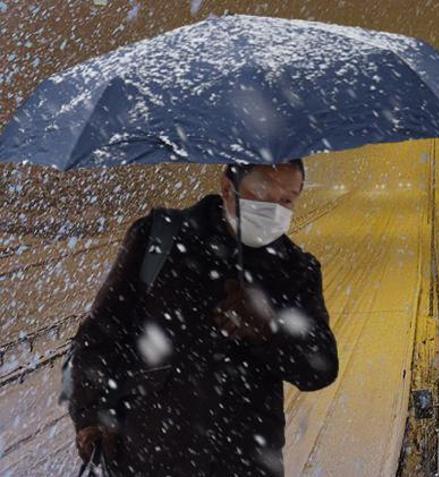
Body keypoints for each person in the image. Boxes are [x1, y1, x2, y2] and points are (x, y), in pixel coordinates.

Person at [68, 160, 338, 476]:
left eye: (287, 200)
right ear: (227, 188)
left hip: (244, 463)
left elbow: (320, 368)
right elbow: (101, 333)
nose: (274, 210)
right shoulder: (161, 238)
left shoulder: (295, 270)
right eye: (262, 195)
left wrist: (269, 327)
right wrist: (89, 416)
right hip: (150, 456)